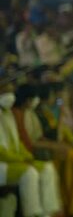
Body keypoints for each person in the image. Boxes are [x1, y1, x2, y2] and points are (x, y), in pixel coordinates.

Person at [13, 83, 73, 216]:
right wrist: (56, 144)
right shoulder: (29, 114)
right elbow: (34, 140)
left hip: (52, 148)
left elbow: (45, 136)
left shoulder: (39, 113)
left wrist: (65, 142)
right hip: (39, 152)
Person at [0, 83, 62, 217]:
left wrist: (27, 156)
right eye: (5, 92)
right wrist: (21, 159)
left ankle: (47, 212)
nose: (10, 96)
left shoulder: (8, 113)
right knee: (30, 173)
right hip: (3, 165)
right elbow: (2, 151)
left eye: (11, 92)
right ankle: (33, 213)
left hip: (14, 162)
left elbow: (17, 143)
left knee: (47, 168)